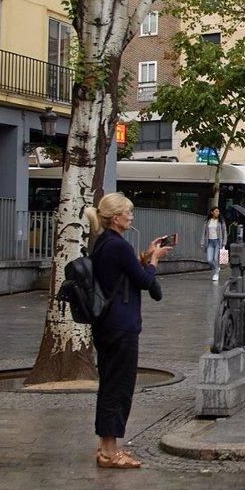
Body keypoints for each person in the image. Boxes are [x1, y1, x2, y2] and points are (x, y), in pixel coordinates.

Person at [87, 193, 171, 469]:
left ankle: (105, 447)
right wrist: (155, 260)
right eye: (128, 212)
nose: (131, 216)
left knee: (109, 384)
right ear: (115, 218)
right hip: (121, 324)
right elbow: (145, 281)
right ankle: (111, 452)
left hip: (106, 324)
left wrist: (145, 256)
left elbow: (123, 273)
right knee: (119, 387)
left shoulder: (103, 243)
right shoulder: (118, 246)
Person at [204, 206, 223, 280]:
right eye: (216, 211)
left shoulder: (220, 221)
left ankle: (216, 274)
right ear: (212, 212)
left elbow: (224, 232)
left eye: (218, 211)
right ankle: (217, 268)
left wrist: (224, 242)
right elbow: (204, 232)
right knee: (209, 260)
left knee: (215, 258)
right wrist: (202, 241)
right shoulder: (208, 221)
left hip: (217, 241)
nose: (217, 213)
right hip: (209, 242)